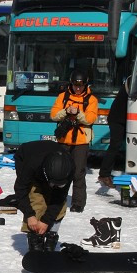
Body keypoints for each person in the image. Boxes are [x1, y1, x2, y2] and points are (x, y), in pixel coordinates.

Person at [13, 141, 75, 252]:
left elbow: (59, 198)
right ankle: (35, 239)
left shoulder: (69, 167)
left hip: (48, 163)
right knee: (36, 201)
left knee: (59, 206)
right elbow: (20, 189)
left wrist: (46, 221)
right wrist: (29, 215)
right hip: (26, 157)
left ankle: (51, 236)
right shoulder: (31, 165)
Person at [49, 70, 97, 212]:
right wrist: (66, 111)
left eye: (80, 85)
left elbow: (90, 119)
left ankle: (78, 203)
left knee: (78, 173)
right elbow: (53, 115)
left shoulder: (91, 99)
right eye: (75, 85)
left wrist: (77, 113)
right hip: (64, 140)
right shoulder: (62, 97)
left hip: (81, 142)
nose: (77, 88)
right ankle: (57, 200)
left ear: (85, 85)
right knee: (59, 172)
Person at [97, 64, 137, 187]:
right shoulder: (133, 81)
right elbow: (135, 95)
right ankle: (104, 174)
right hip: (117, 119)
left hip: (125, 119)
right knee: (114, 146)